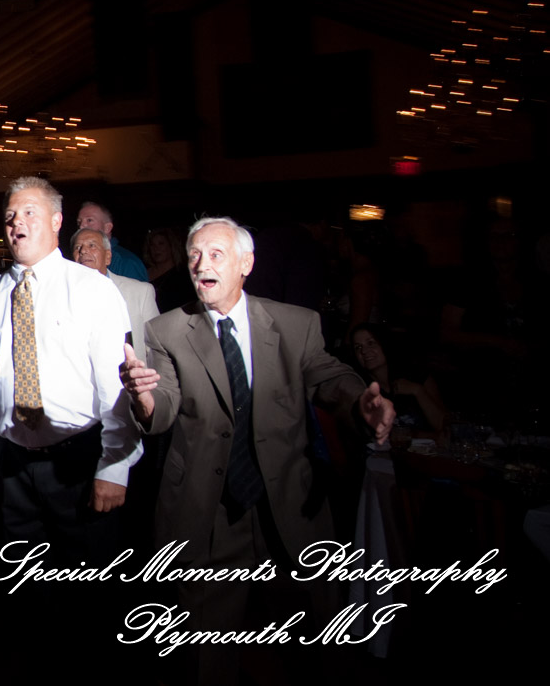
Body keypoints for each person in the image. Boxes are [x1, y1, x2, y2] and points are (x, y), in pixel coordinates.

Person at [119, 216, 394, 686]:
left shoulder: (295, 324)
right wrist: (144, 399)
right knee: (205, 655)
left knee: (311, 647)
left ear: (246, 263)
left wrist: (360, 405)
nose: (201, 265)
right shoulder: (166, 331)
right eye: (194, 256)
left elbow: (329, 376)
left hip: (288, 506)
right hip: (207, 513)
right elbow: (162, 407)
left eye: (216, 255)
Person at [0, 177, 140, 586]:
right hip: (10, 465)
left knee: (87, 590)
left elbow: (116, 389)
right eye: (10, 216)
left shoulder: (92, 290)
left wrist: (115, 467)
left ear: (56, 221)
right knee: (23, 591)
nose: (16, 222)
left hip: (80, 463)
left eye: (29, 212)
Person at [72, 227, 159, 359]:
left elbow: (156, 348)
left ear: (108, 257)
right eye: (78, 247)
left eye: (92, 245)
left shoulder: (140, 292)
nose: (83, 251)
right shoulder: (63, 295)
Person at [350, 323, 446, 432]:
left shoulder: (417, 375)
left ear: (384, 343)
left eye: (371, 343)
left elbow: (444, 426)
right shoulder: (361, 388)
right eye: (358, 347)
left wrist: (418, 391)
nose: (364, 351)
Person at [77, 201, 148, 281]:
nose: (81, 226)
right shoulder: (79, 257)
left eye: (89, 220)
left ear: (107, 227)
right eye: (79, 222)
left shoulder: (127, 263)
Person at [144, 226, 195, 313]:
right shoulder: (143, 271)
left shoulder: (182, 276)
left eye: (161, 243)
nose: (156, 249)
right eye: (152, 245)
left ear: (171, 246)